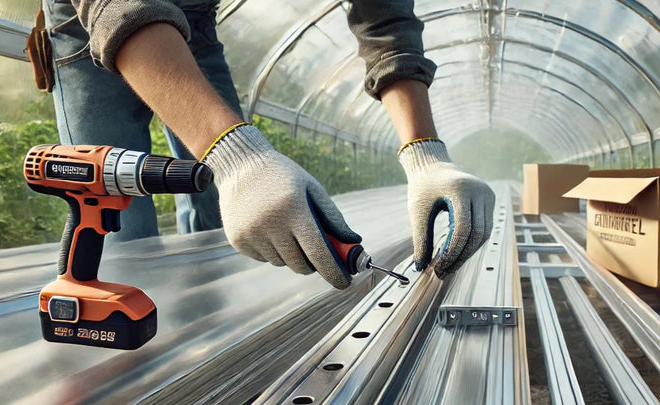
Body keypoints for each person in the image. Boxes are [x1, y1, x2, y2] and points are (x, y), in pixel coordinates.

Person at [40, 0, 495, 289]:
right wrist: (238, 158)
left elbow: (385, 18)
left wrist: (424, 154)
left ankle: (205, 336)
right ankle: (121, 364)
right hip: (91, 19)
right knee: (115, 212)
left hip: (194, 16)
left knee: (226, 205)